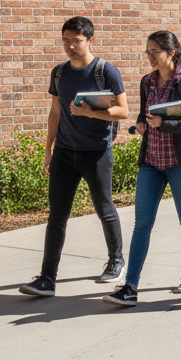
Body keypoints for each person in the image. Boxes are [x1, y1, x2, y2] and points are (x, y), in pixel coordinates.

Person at [20, 17, 129, 298]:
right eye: (66, 40)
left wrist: (90, 112)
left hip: (96, 152)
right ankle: (47, 278)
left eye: (76, 41)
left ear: (90, 40)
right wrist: (49, 149)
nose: (70, 46)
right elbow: (55, 113)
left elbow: (123, 111)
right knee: (57, 215)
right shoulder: (59, 73)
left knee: (104, 208)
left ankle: (116, 260)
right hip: (65, 153)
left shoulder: (106, 71)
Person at [103, 31, 181, 308]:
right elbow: (145, 114)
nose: (150, 57)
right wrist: (141, 123)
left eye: (155, 52)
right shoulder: (146, 82)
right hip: (151, 160)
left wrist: (165, 125)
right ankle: (131, 286)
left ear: (171, 53)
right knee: (142, 224)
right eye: (147, 51)